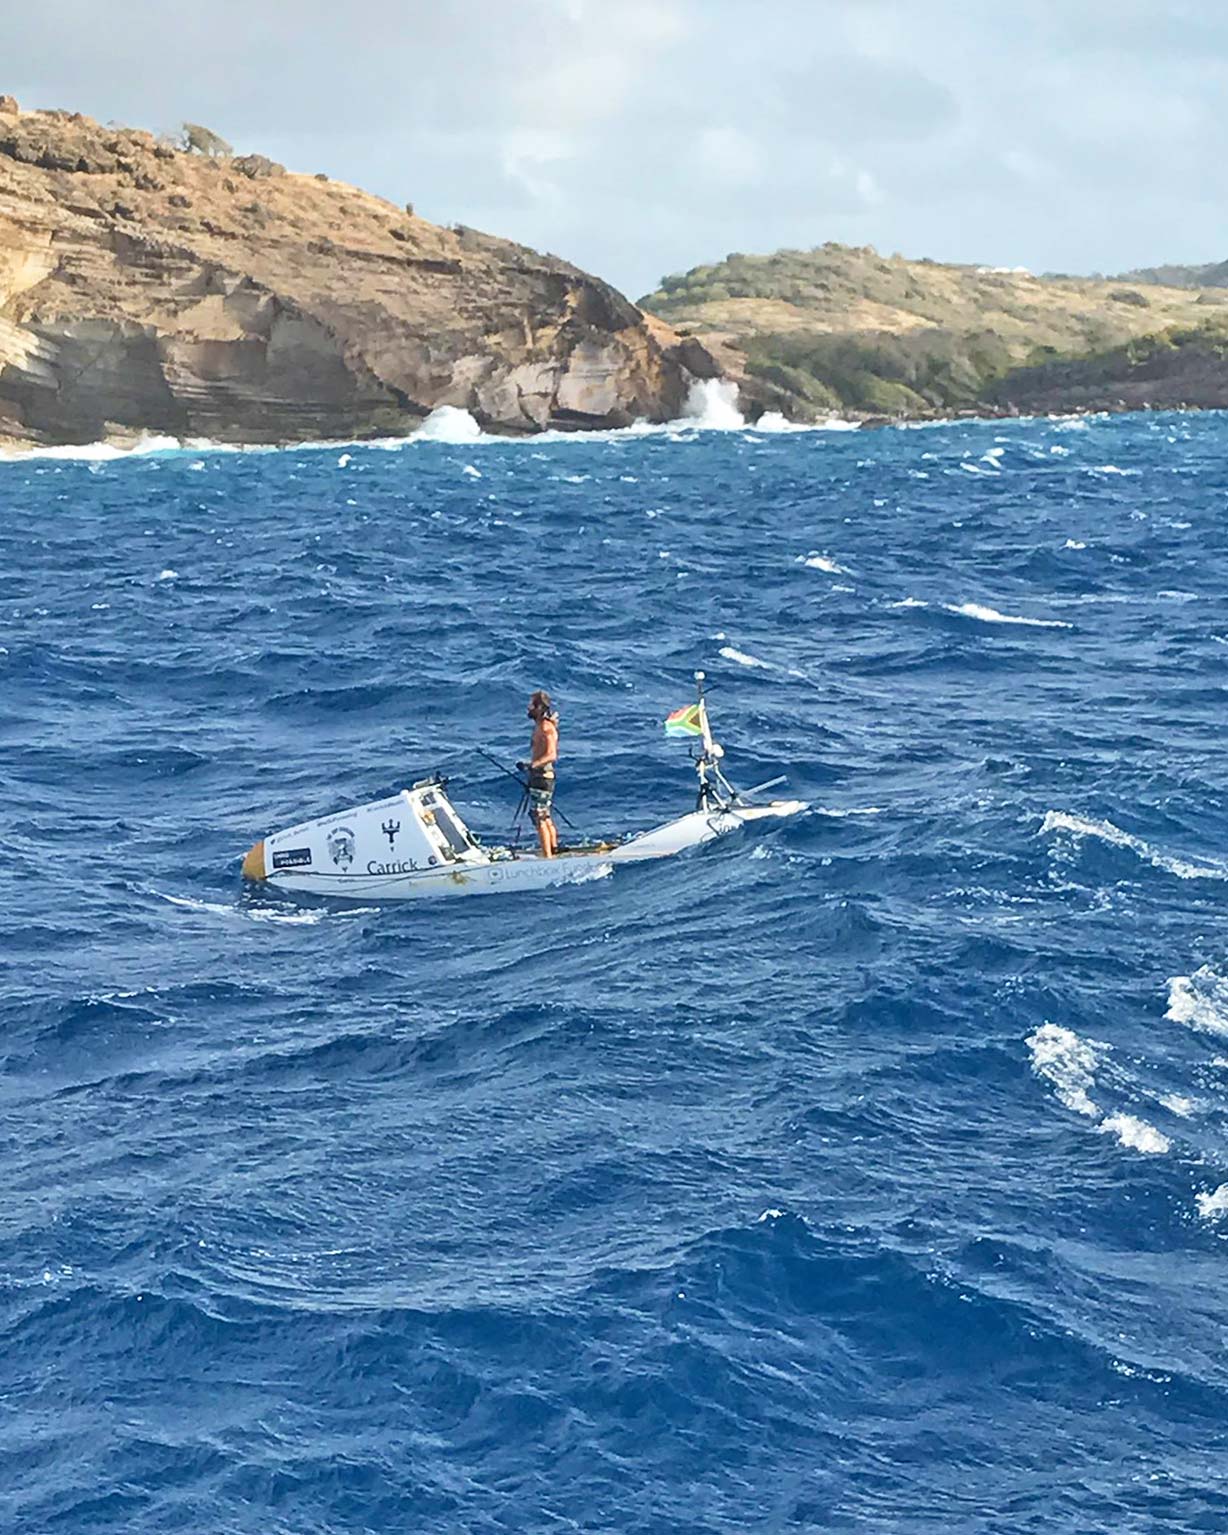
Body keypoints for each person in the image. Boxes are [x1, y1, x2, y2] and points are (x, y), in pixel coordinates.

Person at [519, 689, 559, 858]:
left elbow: (551, 754)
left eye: (531, 705)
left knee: (539, 816)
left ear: (539, 707)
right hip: (538, 778)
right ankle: (553, 849)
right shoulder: (540, 726)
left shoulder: (545, 728)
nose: (528, 708)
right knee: (545, 815)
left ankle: (548, 857)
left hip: (543, 778)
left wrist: (532, 765)